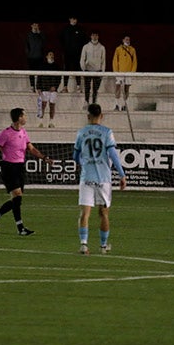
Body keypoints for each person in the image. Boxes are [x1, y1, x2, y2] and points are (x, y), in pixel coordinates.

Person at [0, 107, 54, 236]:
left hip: (20, 168)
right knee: (17, 196)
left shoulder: (23, 132)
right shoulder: (5, 133)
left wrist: (44, 158)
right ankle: (20, 228)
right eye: (24, 115)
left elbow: (31, 148)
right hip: (8, 167)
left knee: (17, 200)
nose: (26, 118)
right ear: (19, 118)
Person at [73, 103, 127, 255]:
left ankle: (84, 245)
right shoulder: (107, 132)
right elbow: (113, 155)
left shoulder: (81, 133)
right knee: (103, 213)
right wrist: (122, 175)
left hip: (87, 178)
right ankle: (103, 246)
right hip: (103, 178)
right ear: (101, 116)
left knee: (84, 213)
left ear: (88, 116)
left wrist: (84, 162)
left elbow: (75, 156)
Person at [59, 16, 87, 93]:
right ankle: (65, 87)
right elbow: (61, 40)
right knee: (66, 70)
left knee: (77, 69)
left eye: (75, 19)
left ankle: (78, 87)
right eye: (73, 19)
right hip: (67, 53)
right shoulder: (65, 29)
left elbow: (84, 41)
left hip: (77, 54)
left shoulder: (80, 29)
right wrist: (64, 49)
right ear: (70, 19)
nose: (74, 20)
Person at [80, 30, 106, 108]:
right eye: (93, 35)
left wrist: (103, 72)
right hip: (88, 70)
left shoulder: (102, 47)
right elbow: (82, 58)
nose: (94, 37)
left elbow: (103, 60)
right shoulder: (86, 46)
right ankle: (86, 101)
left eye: (96, 35)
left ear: (98, 36)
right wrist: (83, 69)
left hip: (97, 71)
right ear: (91, 36)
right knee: (87, 87)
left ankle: (94, 102)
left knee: (95, 88)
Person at [111, 33, 138, 111]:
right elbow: (115, 61)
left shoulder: (132, 50)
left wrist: (132, 73)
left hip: (128, 73)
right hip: (120, 73)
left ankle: (124, 105)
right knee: (118, 89)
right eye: (126, 39)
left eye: (129, 39)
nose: (128, 41)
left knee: (126, 90)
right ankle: (116, 104)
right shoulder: (118, 49)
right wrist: (116, 72)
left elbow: (134, 62)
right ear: (123, 40)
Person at [35, 52, 61, 128]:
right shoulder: (42, 66)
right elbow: (39, 77)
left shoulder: (56, 67)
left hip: (53, 90)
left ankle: (51, 122)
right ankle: (41, 122)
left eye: (53, 55)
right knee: (43, 105)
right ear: (46, 56)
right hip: (44, 88)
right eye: (50, 54)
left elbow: (58, 79)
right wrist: (38, 87)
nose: (51, 56)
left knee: (52, 105)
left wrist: (55, 87)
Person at [25, 22, 46, 92]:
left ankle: (38, 87)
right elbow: (26, 45)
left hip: (39, 57)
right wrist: (28, 54)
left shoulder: (40, 34)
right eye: (34, 25)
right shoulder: (28, 35)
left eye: (37, 25)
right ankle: (32, 87)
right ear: (31, 26)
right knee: (31, 73)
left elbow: (44, 42)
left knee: (40, 73)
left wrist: (39, 33)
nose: (35, 26)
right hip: (31, 58)